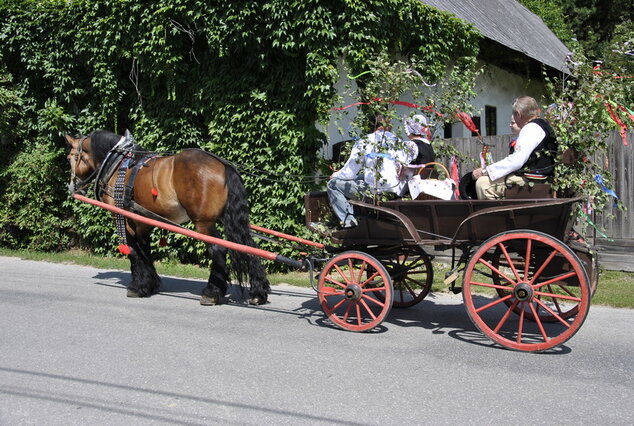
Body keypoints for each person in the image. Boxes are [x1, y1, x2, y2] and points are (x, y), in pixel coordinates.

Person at [327, 114, 415, 228]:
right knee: (361, 177)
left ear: (375, 127)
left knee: (333, 185)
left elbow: (349, 173)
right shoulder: (398, 141)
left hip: (375, 192)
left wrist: (335, 175)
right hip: (397, 190)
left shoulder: (365, 141)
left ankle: (349, 221)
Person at [471, 96, 557, 199]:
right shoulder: (544, 126)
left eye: (514, 114)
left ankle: (497, 214)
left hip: (533, 181)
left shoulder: (530, 129)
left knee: (483, 183)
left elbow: (516, 161)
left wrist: (485, 171)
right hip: (543, 178)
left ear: (519, 114)